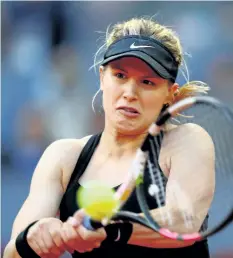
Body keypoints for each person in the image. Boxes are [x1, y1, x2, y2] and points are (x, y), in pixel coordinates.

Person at [3, 17, 215, 258]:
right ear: (102, 77)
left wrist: (109, 226)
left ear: (170, 94)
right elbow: (12, 254)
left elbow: (184, 220)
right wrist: (33, 238)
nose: (130, 93)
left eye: (147, 82)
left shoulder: (186, 141)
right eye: (120, 76)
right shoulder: (64, 157)